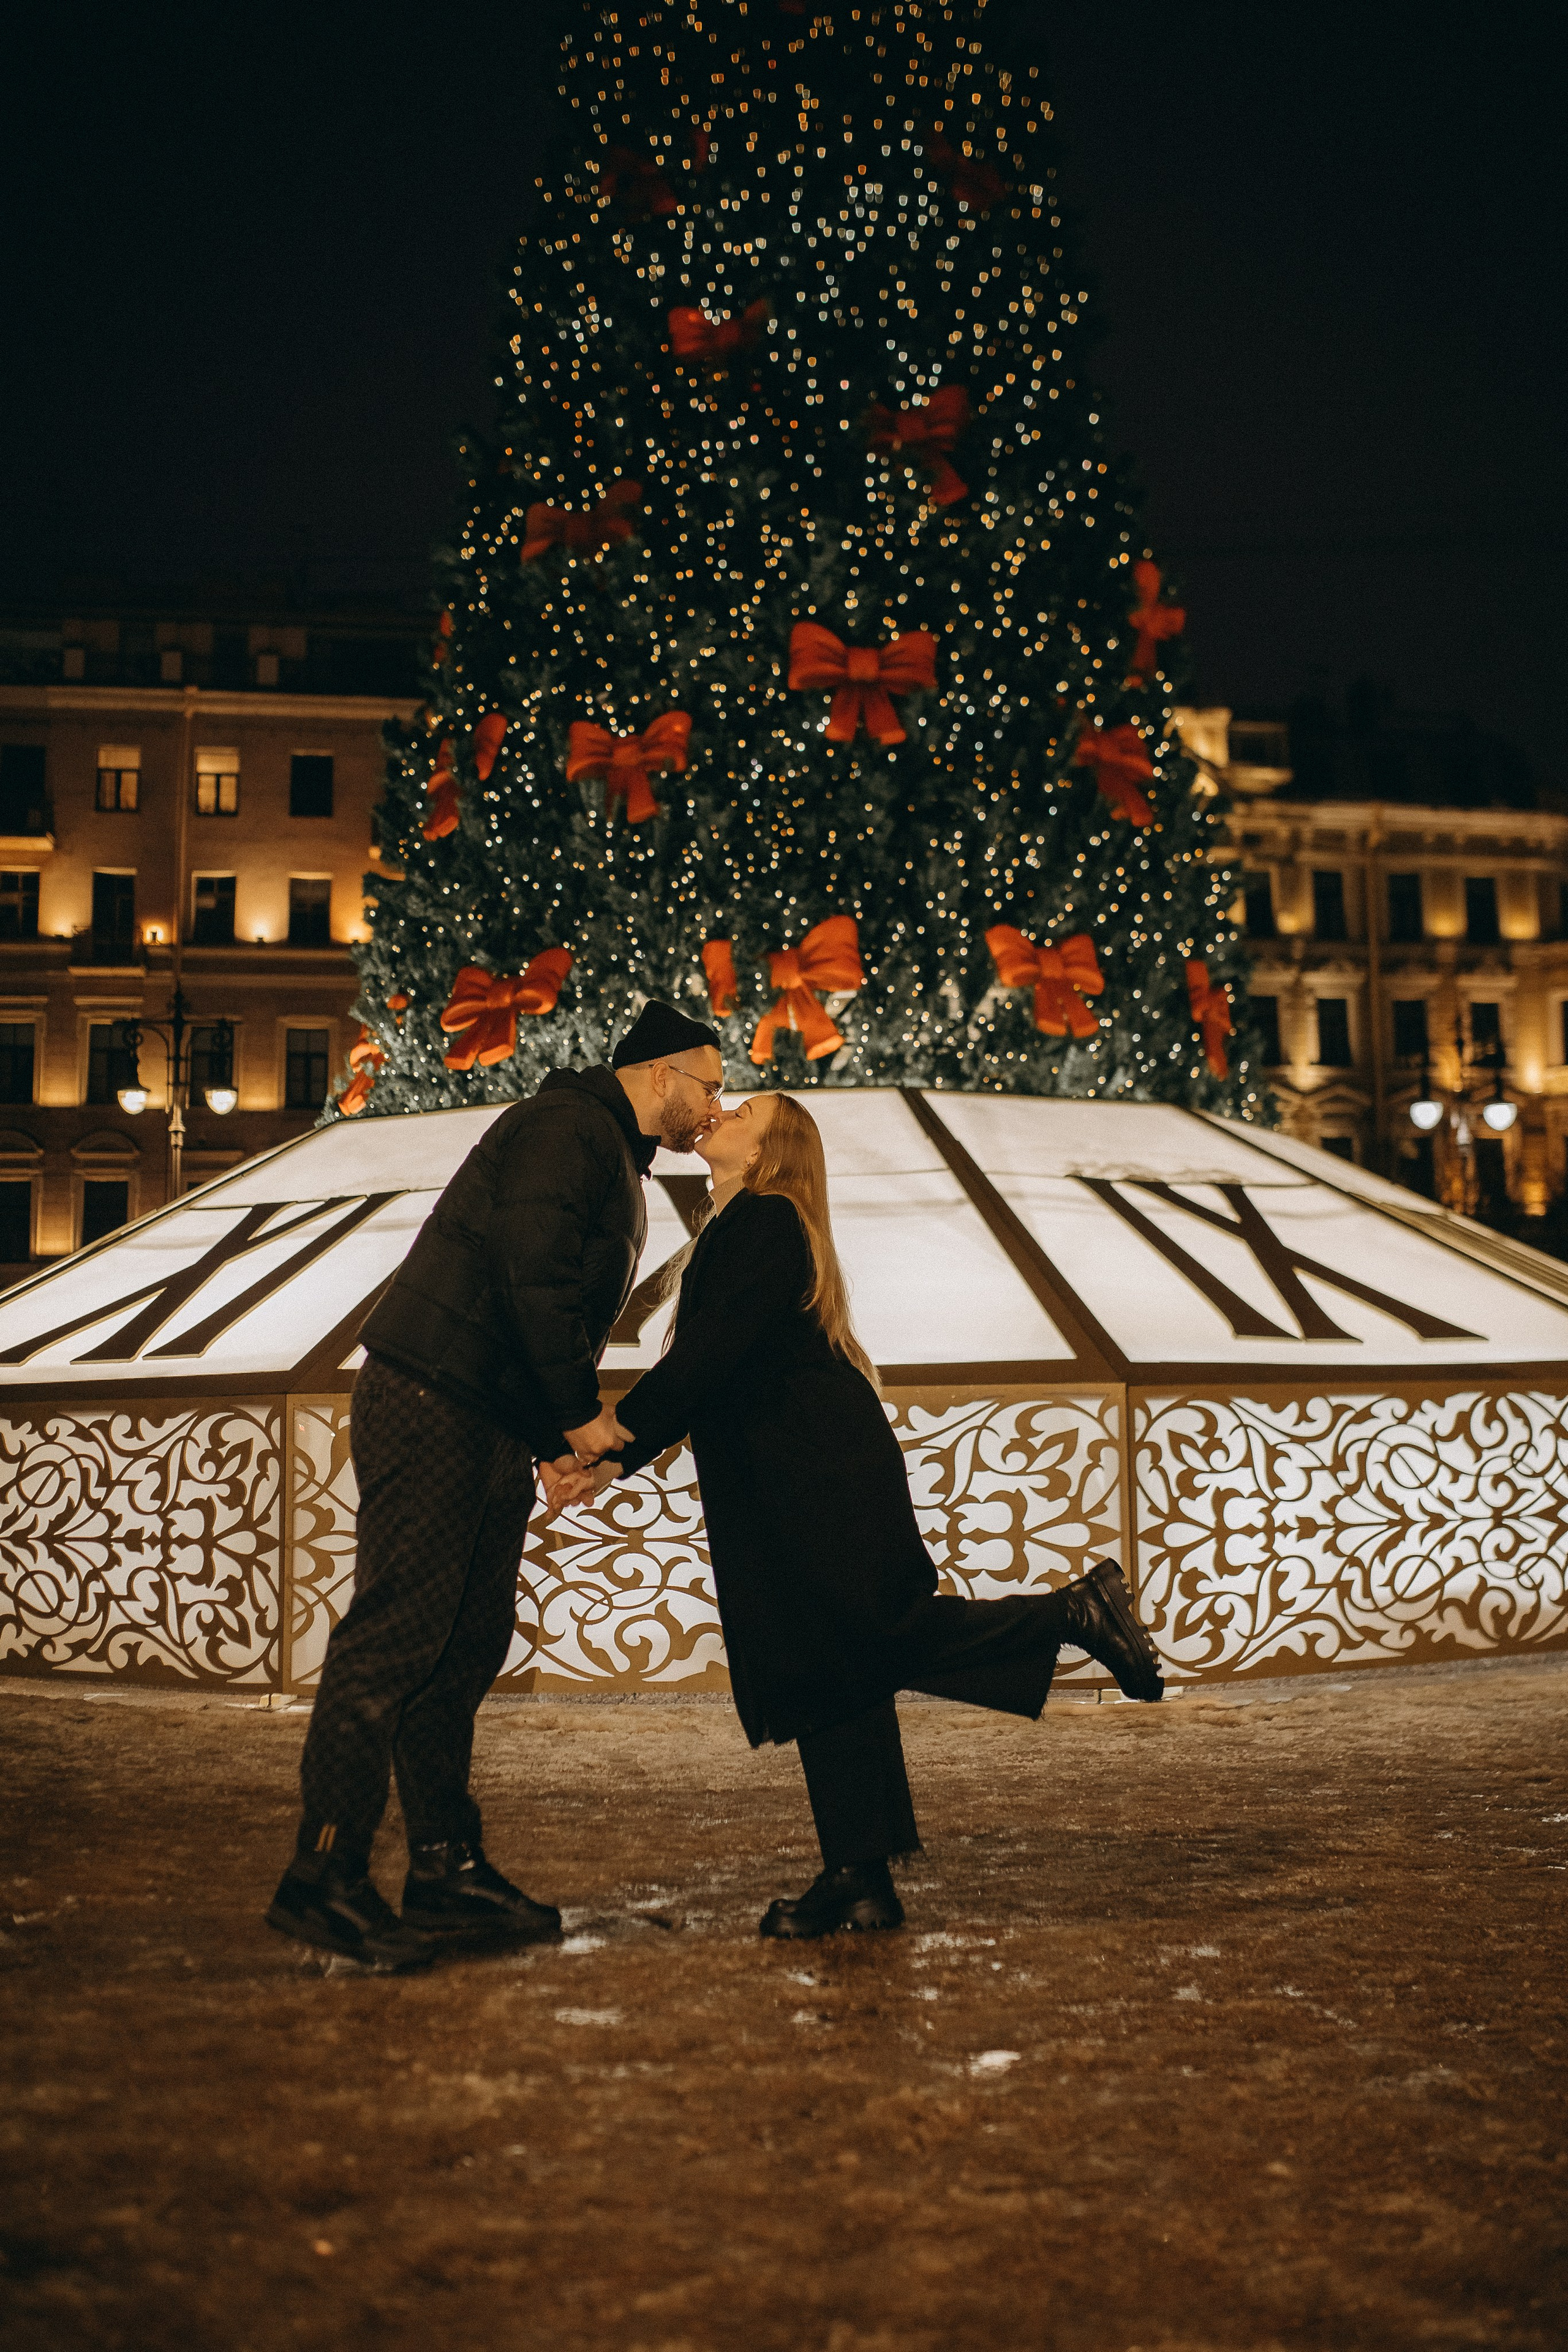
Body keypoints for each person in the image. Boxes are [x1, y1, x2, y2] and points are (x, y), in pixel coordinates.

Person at [552, 1089, 1163, 1941]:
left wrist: (608, 1440)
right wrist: (611, 1462)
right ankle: (859, 1878)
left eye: (743, 1115)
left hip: (817, 1474)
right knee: (830, 1665)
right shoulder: (745, 1225)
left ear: (769, 1154)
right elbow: (714, 1372)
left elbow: (705, 1359)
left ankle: (1074, 1612)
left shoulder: (764, 1219)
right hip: (795, 1471)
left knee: (873, 1639)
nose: (719, 1114)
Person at [266, 1000, 725, 1970]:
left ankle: (444, 1867)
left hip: (474, 1412)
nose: (715, 1107)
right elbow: (533, 1282)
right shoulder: (569, 1129)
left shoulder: (602, 1146)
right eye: (710, 1085)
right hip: (431, 1397)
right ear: (660, 1076)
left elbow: (523, 1316)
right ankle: (325, 1877)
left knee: (462, 1645)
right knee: (397, 1637)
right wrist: (576, 1414)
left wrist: (550, 1440)